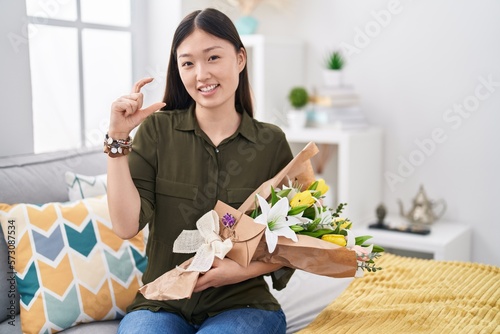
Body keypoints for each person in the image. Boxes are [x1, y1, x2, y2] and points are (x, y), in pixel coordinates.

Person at [107, 8, 293, 334]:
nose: (201, 74)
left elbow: (292, 244)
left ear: (239, 59)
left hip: (243, 305)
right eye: (188, 63)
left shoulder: (271, 143)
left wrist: (237, 272)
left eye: (212, 58)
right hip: (161, 303)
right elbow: (125, 226)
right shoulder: (156, 132)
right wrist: (118, 140)